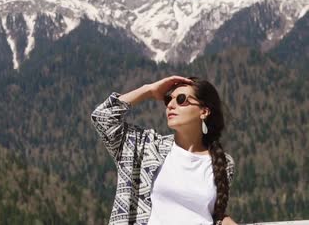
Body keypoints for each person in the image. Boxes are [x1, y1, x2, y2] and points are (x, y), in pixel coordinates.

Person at [91, 75, 237, 225]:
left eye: (180, 99)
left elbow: (211, 215)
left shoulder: (223, 164)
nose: (170, 105)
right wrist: (148, 90)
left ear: (204, 111)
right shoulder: (146, 147)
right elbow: (102, 117)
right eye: (168, 100)